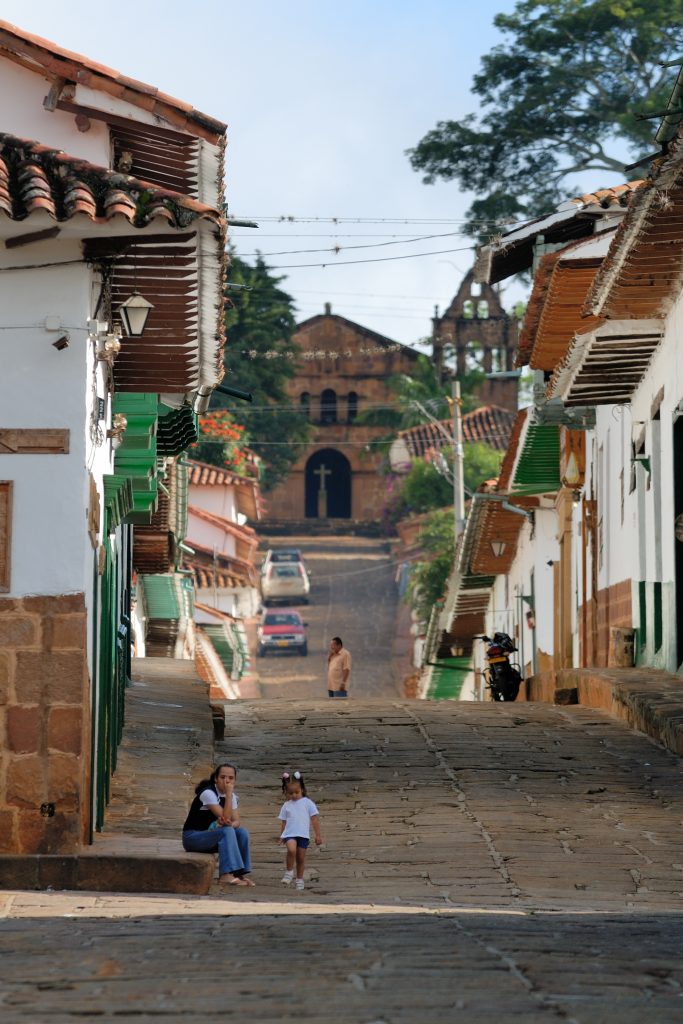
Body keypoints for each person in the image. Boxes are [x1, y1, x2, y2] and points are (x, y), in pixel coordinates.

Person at [182, 762, 255, 886]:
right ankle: (225, 875)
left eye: (231, 778)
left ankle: (238, 874)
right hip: (193, 838)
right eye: (222, 777)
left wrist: (229, 825)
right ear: (216, 778)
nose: (226, 781)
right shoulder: (208, 793)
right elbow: (226, 817)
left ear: (235, 781)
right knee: (226, 832)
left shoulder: (232, 796)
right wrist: (228, 796)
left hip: (211, 837)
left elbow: (236, 821)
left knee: (242, 832)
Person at [278, 771, 322, 891]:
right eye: (290, 793)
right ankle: (289, 872)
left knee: (301, 858)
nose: (294, 795)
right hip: (290, 833)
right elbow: (284, 821)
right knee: (291, 850)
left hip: (303, 834)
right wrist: (282, 835)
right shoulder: (286, 805)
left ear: (302, 789)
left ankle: (299, 879)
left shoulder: (308, 803)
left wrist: (318, 835)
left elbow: (314, 820)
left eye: (296, 792)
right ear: (286, 793)